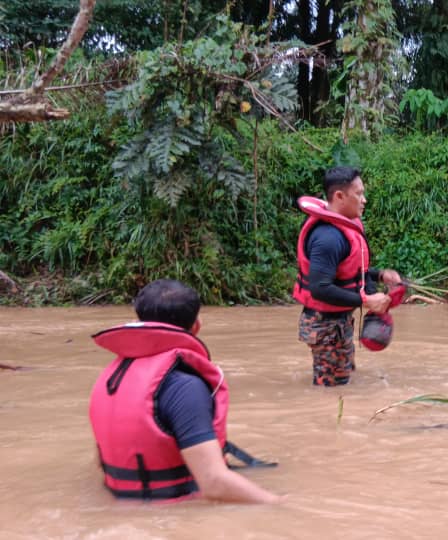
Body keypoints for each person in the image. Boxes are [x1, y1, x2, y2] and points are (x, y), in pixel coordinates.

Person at [88, 279, 281, 503]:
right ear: (196, 325)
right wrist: (280, 504)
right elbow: (214, 484)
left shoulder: (111, 376)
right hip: (173, 511)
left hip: (124, 505)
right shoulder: (184, 387)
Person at [293, 166, 401, 386]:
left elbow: (350, 271)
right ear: (339, 196)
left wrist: (380, 276)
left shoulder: (345, 227)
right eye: (359, 194)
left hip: (338, 322)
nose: (364, 200)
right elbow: (320, 288)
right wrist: (366, 300)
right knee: (331, 389)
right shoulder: (328, 238)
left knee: (345, 377)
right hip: (324, 325)